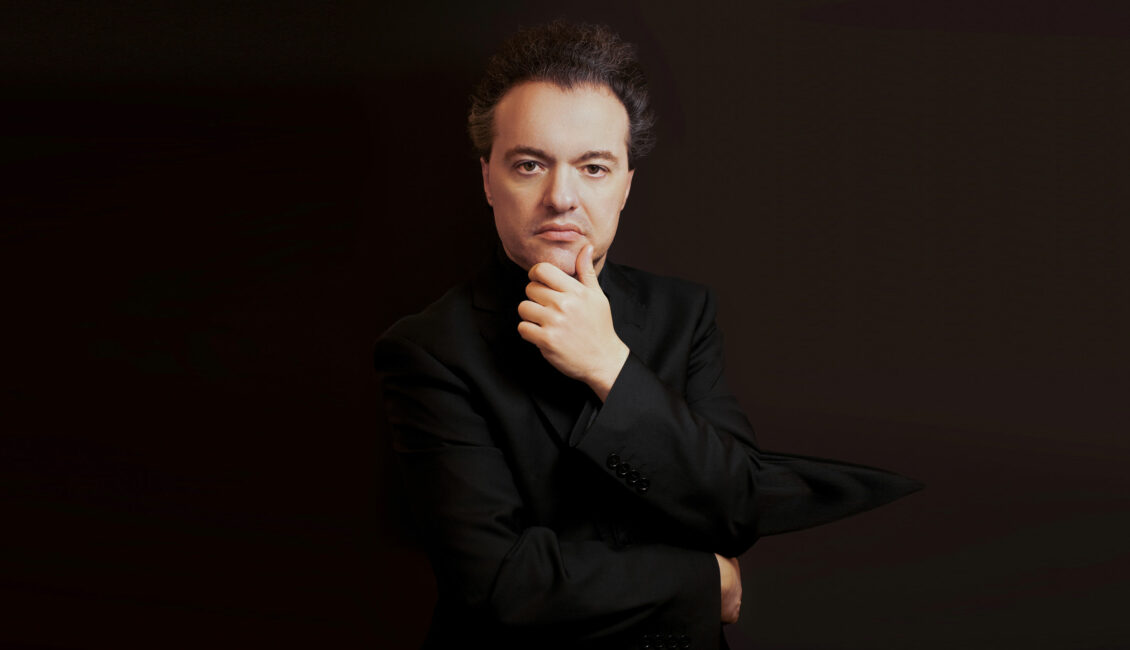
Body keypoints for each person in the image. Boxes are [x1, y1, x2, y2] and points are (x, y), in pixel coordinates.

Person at [375, 21, 920, 650]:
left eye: (593, 167)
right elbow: (499, 584)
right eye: (529, 164)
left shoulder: (684, 314)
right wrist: (703, 581)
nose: (561, 197)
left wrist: (610, 365)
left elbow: (738, 505)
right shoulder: (428, 350)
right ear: (487, 180)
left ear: (626, 185)